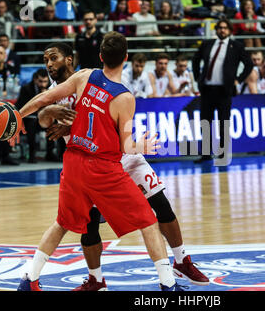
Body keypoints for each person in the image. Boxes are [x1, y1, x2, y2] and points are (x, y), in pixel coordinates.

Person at [15, 32, 185, 291]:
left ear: (100, 56)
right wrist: (144, 146)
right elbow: (126, 146)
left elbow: (43, 99)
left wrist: (17, 115)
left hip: (73, 162)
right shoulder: (125, 98)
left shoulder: (84, 77)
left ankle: (30, 278)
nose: (49, 64)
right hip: (103, 167)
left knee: (62, 223)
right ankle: (168, 284)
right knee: (149, 222)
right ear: (126, 59)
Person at [192, 18, 253, 163]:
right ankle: (206, 154)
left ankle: (222, 152)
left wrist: (238, 79)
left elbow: (249, 64)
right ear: (216, 30)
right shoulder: (208, 44)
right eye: (220, 27)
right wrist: (197, 77)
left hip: (224, 90)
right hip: (207, 88)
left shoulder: (236, 46)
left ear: (230, 31)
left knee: (223, 122)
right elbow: (195, 59)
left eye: (225, 28)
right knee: (205, 122)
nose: (222, 30)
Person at [15, 68, 55, 163]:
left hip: (44, 118)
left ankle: (50, 153)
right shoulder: (26, 89)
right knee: (31, 124)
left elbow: (54, 106)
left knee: (54, 122)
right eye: (40, 81)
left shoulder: (51, 89)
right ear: (35, 79)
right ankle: (31, 154)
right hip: (30, 118)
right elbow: (22, 107)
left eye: (45, 81)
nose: (43, 84)